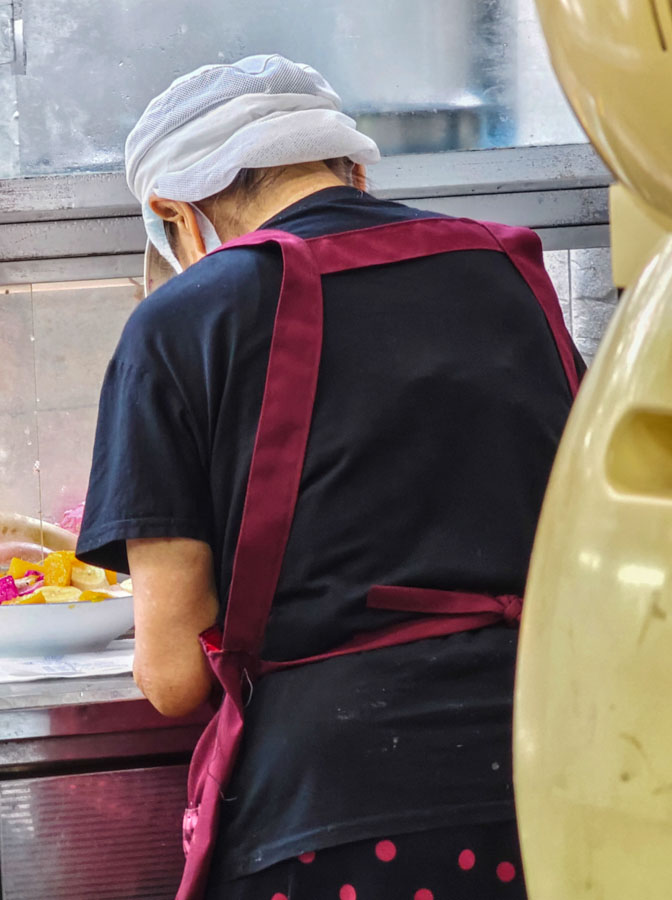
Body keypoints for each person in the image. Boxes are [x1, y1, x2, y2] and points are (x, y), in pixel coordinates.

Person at [75, 55, 583, 900]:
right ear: (349, 166)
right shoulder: (511, 270)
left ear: (175, 211)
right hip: (558, 770)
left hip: (337, 811)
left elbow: (171, 679)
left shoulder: (182, 320)